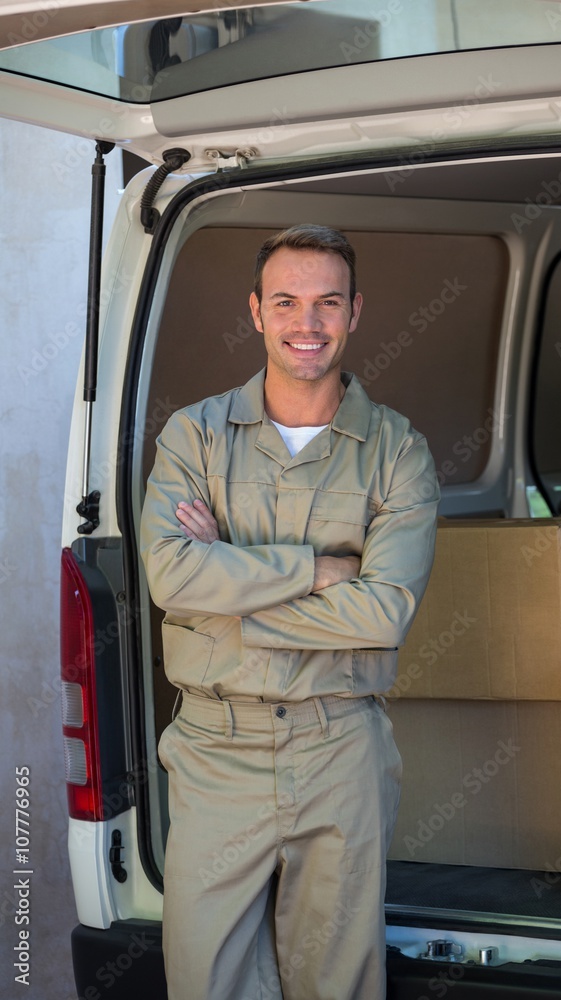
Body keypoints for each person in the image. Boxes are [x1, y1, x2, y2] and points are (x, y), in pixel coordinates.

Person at [140, 223, 439, 1000]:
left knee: (337, 979)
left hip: (339, 746)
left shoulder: (397, 451)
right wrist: (316, 571)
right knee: (204, 977)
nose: (307, 323)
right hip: (214, 751)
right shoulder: (193, 436)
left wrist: (227, 596)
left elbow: (382, 615)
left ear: (355, 312)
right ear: (256, 311)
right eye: (287, 302)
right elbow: (171, 574)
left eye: (326, 303)